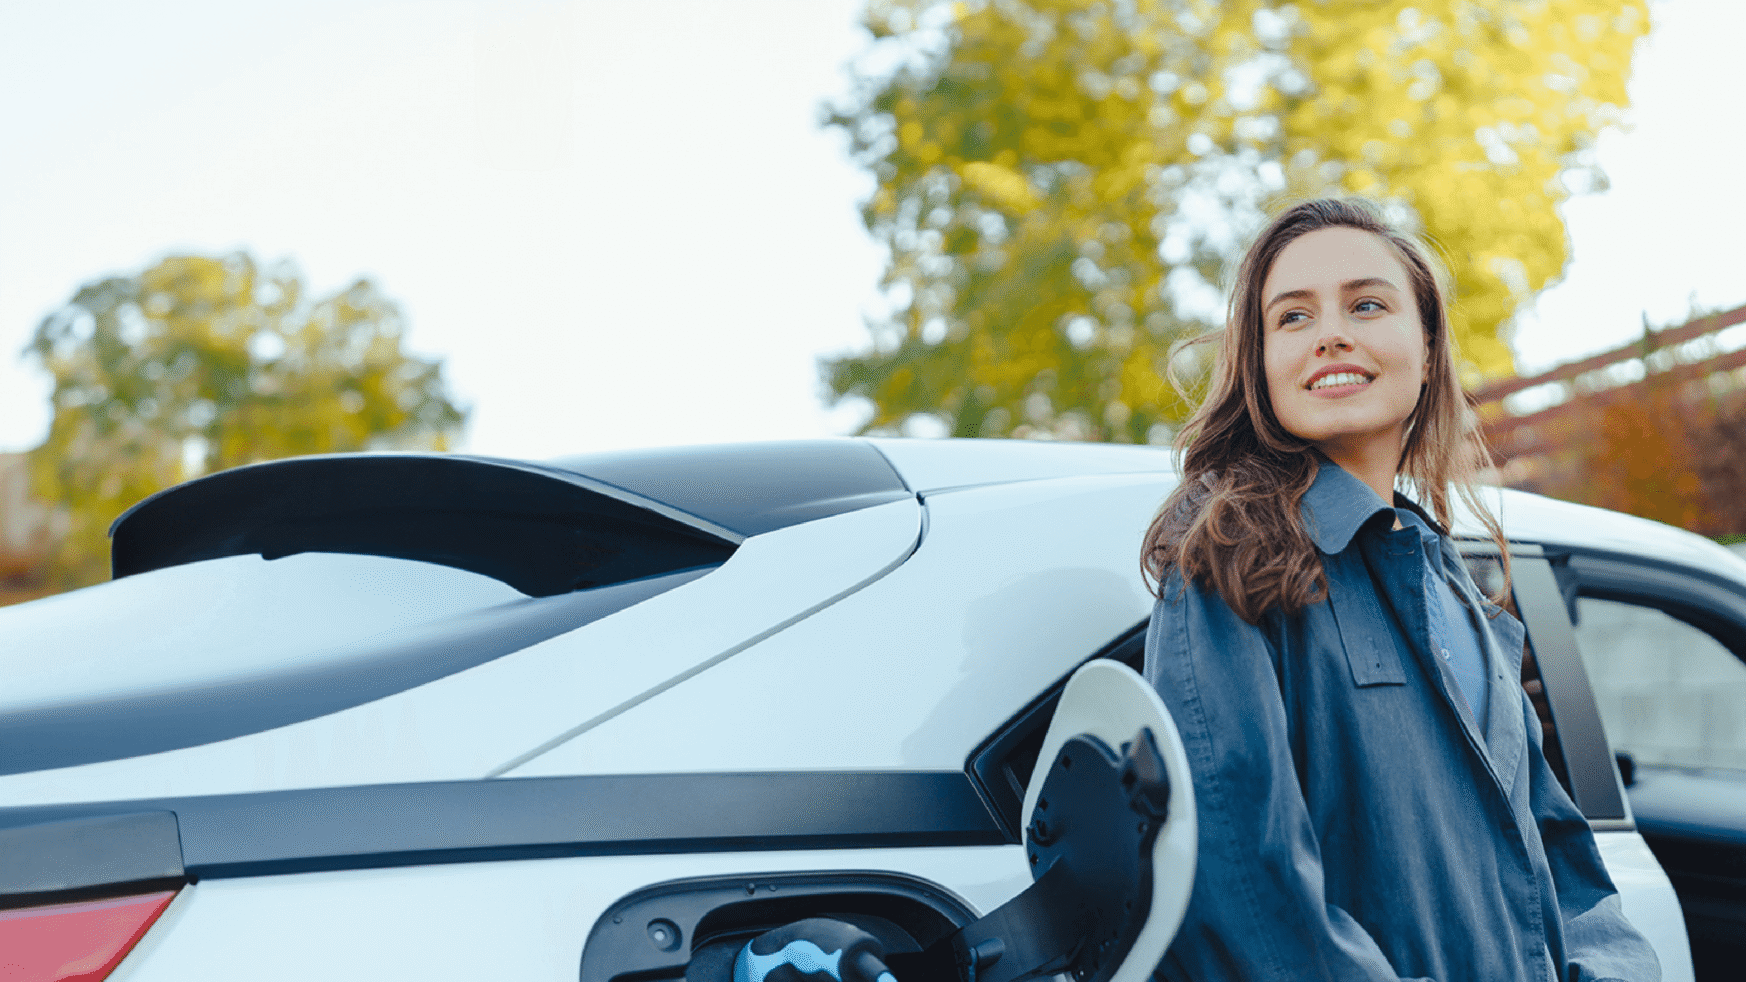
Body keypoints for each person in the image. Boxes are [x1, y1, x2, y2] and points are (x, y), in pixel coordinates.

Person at [1138, 198, 1659, 982]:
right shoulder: (1229, 560)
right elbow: (1241, 886)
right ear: (1260, 365)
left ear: (1426, 346)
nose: (1330, 334)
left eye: (1367, 304)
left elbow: (1557, 849)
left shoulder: (1459, 593)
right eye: (1292, 318)